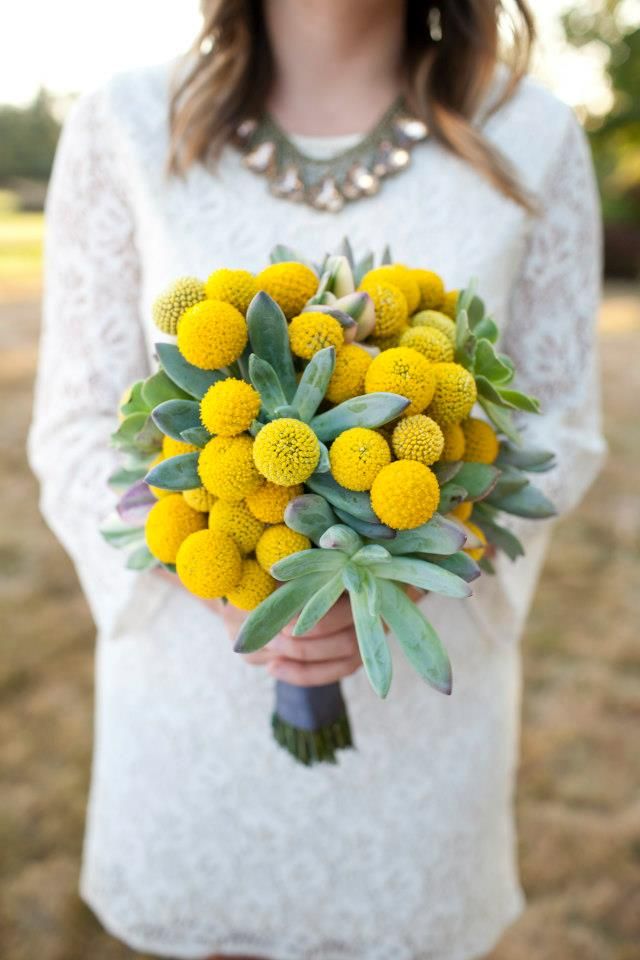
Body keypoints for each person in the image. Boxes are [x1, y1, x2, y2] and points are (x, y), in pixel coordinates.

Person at [29, 1, 606, 958]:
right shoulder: (124, 123)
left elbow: (563, 426)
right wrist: (225, 577)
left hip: (422, 716)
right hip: (188, 694)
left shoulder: (535, 135)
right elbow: (79, 424)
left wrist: (401, 564)